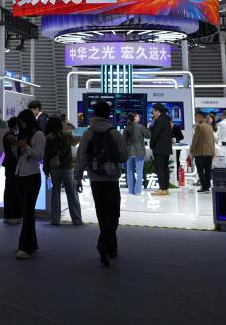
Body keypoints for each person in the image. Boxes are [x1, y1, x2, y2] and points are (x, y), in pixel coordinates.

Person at [74, 101, 125, 266]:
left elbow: (81, 157)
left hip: (95, 179)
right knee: (113, 215)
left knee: (102, 215)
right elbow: (124, 156)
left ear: (93, 115)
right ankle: (104, 244)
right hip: (111, 179)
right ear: (109, 114)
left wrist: (77, 178)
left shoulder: (88, 133)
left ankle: (110, 247)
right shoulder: (114, 133)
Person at [13, 109, 45, 259]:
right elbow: (19, 156)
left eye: (23, 122)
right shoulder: (22, 134)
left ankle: (25, 247)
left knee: (27, 212)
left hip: (32, 176)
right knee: (27, 212)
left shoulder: (39, 135)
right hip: (20, 174)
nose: (22, 125)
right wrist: (16, 146)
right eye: (20, 123)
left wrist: (26, 147)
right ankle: (30, 244)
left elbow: (40, 156)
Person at [44, 116, 82, 226]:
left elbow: (46, 155)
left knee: (55, 193)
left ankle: (55, 220)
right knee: (72, 193)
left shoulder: (48, 137)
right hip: (67, 167)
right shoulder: (66, 135)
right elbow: (75, 143)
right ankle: (77, 219)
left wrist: (46, 169)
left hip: (54, 168)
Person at [122, 112, 151, 195]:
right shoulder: (140, 127)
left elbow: (123, 141)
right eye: (138, 116)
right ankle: (137, 191)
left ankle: (131, 190)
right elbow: (148, 136)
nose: (139, 117)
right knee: (139, 172)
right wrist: (148, 128)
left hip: (129, 152)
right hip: (139, 152)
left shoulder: (126, 128)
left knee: (129, 171)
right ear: (134, 118)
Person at [148, 103, 173, 196]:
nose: (153, 113)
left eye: (154, 111)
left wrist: (151, 145)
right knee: (165, 168)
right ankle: (165, 188)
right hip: (166, 148)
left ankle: (162, 188)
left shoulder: (159, 120)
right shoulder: (167, 119)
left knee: (160, 169)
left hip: (159, 148)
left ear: (158, 111)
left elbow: (155, 135)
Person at [190, 111, 216, 193]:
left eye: (197, 116)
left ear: (201, 117)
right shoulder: (209, 127)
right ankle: (207, 186)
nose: (195, 118)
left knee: (200, 170)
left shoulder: (199, 126)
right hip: (209, 152)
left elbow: (195, 140)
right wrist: (213, 152)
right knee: (207, 170)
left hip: (201, 152)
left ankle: (204, 186)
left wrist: (191, 149)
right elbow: (212, 141)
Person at [2, 116, 21, 224]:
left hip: (11, 166)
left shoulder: (10, 135)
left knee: (10, 189)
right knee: (13, 190)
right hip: (12, 166)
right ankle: (13, 216)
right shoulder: (10, 136)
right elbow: (19, 144)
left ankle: (9, 216)